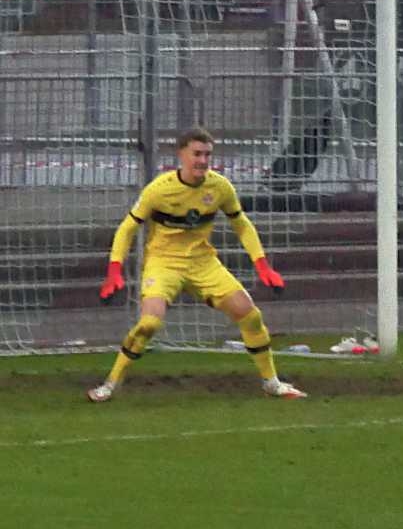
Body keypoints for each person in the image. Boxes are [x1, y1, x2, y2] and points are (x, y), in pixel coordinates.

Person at [88, 127, 305, 402]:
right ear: (181, 154)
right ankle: (110, 383)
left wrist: (262, 265)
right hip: (164, 264)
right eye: (197, 154)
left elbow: (241, 224)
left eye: (207, 155)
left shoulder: (220, 186)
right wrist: (114, 271)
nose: (203, 160)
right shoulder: (159, 189)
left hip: (203, 263)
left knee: (250, 315)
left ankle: (271, 382)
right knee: (149, 324)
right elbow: (127, 227)